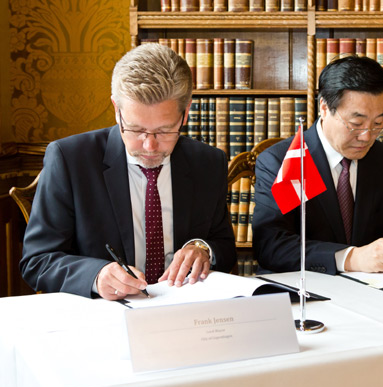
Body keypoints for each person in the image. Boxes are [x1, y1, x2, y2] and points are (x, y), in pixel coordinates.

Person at [20, 43, 236, 300]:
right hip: (103, 319)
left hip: (184, 314)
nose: (150, 146)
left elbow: (224, 246)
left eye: (165, 130)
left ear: (186, 112)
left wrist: (203, 250)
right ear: (116, 109)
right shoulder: (70, 159)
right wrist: (96, 275)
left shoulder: (208, 162)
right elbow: (37, 260)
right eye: (135, 130)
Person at [253, 56, 383, 275]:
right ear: (325, 107)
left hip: (373, 292)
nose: (367, 137)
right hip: (306, 290)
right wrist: (350, 258)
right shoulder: (286, 161)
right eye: (356, 124)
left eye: (378, 124)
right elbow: (271, 245)